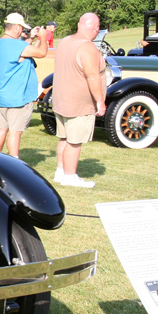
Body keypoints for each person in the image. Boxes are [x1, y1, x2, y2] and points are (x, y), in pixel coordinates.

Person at [52, 13, 106, 188]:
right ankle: (69, 176)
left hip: (61, 99)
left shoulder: (65, 41)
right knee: (74, 142)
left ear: (79, 24)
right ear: (96, 28)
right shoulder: (88, 47)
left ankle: (60, 172)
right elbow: (92, 76)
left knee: (64, 138)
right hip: (78, 103)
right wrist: (100, 101)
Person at [0, 13, 47, 157]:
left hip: (3, 95)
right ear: (16, 27)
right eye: (21, 28)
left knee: (1, 128)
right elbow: (41, 52)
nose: (22, 31)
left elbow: (19, 51)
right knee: (15, 132)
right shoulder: (17, 45)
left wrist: (31, 37)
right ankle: (14, 161)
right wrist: (44, 36)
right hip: (18, 96)